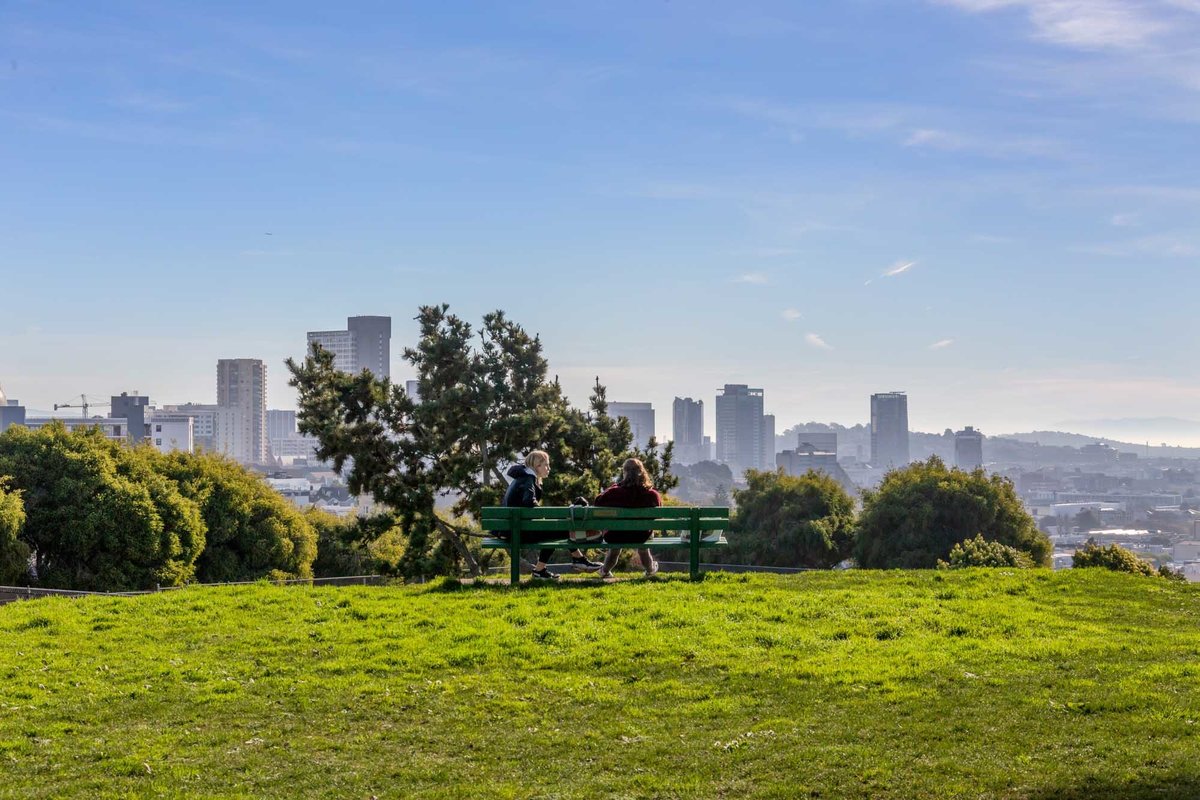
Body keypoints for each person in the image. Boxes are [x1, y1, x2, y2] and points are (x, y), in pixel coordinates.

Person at [502, 450, 602, 581]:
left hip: (513, 529)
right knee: (560, 529)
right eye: (546, 465)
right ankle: (576, 560)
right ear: (537, 466)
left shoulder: (523, 477)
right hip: (518, 532)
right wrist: (544, 515)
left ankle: (545, 569)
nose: (549, 468)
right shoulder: (528, 479)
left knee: (556, 528)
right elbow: (528, 502)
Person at [593, 457, 662, 580]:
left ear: (624, 473)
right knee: (643, 544)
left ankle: (605, 570)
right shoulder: (652, 494)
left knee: (614, 548)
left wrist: (616, 486)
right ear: (642, 473)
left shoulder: (614, 492)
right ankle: (650, 570)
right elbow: (659, 514)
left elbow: (597, 502)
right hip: (641, 535)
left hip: (616, 535)